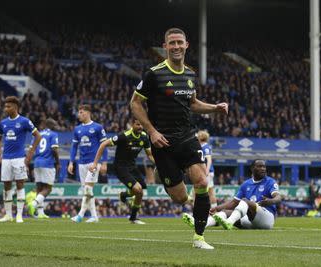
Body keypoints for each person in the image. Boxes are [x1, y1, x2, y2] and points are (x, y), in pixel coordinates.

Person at [130, 27, 228, 249]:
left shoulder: (190, 74)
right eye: (171, 43)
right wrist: (152, 132)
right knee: (179, 197)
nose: (176, 46)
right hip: (162, 142)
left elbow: (192, 104)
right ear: (165, 47)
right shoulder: (154, 74)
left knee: (202, 181)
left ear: (187, 45)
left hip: (186, 137)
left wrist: (215, 108)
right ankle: (164, 171)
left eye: (179, 43)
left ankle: (199, 238)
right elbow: (135, 103)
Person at [89, 118, 155, 224]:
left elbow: (150, 154)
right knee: (138, 189)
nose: (140, 127)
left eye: (142, 125)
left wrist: (157, 163)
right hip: (120, 167)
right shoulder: (123, 136)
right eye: (138, 125)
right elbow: (103, 144)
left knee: (140, 192)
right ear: (132, 124)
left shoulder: (144, 137)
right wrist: (95, 163)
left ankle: (132, 216)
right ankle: (126, 198)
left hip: (132, 167)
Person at [0, 96, 41, 223]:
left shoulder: (24, 121)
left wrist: (31, 152)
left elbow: (38, 136)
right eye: (5, 106)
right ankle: (8, 215)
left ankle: (19, 215)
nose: (6, 108)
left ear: (15, 107)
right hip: (6, 159)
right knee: (6, 186)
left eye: (8, 106)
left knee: (20, 185)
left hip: (19, 158)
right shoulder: (3, 123)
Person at [207, 160, 281, 230]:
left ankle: (229, 222)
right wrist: (217, 208)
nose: (263, 169)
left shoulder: (270, 182)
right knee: (224, 213)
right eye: (259, 166)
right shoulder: (246, 184)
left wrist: (271, 201)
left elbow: (278, 197)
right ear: (252, 168)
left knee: (245, 201)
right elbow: (234, 202)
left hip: (266, 218)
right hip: (249, 220)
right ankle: (204, 224)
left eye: (264, 167)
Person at [68, 104, 108, 223]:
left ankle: (80, 215)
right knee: (87, 190)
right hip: (81, 163)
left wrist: (104, 163)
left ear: (88, 112)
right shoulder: (77, 129)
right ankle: (94, 216)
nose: (79, 114)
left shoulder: (98, 127)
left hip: (94, 162)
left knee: (87, 188)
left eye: (81, 112)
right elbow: (74, 147)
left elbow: (104, 145)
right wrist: (71, 162)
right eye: (79, 112)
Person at [28, 118, 60, 219]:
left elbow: (31, 149)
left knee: (39, 187)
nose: (56, 127)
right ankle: (33, 204)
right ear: (51, 125)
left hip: (37, 162)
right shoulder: (53, 134)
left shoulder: (37, 134)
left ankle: (40, 212)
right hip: (48, 163)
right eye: (55, 125)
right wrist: (58, 162)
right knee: (48, 189)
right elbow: (54, 149)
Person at [197, 130, 217, 208]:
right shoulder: (202, 146)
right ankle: (213, 210)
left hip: (207, 172)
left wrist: (207, 170)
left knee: (207, 192)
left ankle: (212, 210)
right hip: (207, 172)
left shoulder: (205, 147)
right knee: (210, 192)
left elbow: (209, 159)